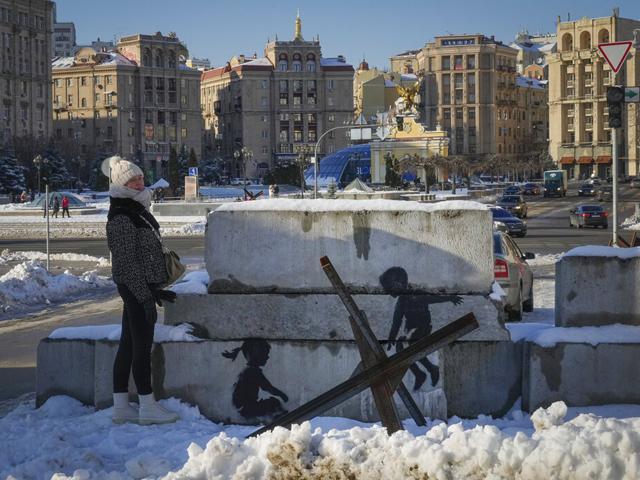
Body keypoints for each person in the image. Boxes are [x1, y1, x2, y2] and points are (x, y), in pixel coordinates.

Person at [106, 155, 179, 426]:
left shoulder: (135, 209)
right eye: (132, 180)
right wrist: (145, 297)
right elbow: (125, 263)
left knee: (127, 346)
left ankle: (121, 406)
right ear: (121, 184)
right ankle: (147, 406)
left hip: (142, 288)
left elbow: (142, 257)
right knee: (141, 348)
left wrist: (156, 291)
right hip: (135, 288)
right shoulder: (121, 215)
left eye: (139, 178)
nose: (139, 183)